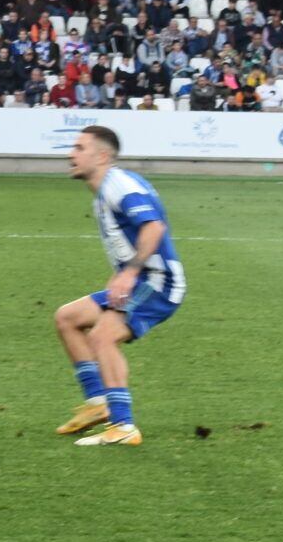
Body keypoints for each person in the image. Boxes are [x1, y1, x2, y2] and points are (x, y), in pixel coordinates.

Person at [52, 125, 185, 451]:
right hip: (141, 278)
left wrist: (129, 274)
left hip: (157, 282)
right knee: (67, 318)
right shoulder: (106, 188)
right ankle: (98, 402)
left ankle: (123, 424)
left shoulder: (119, 186)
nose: (72, 154)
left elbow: (154, 226)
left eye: (79, 148)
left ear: (101, 156)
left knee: (102, 336)